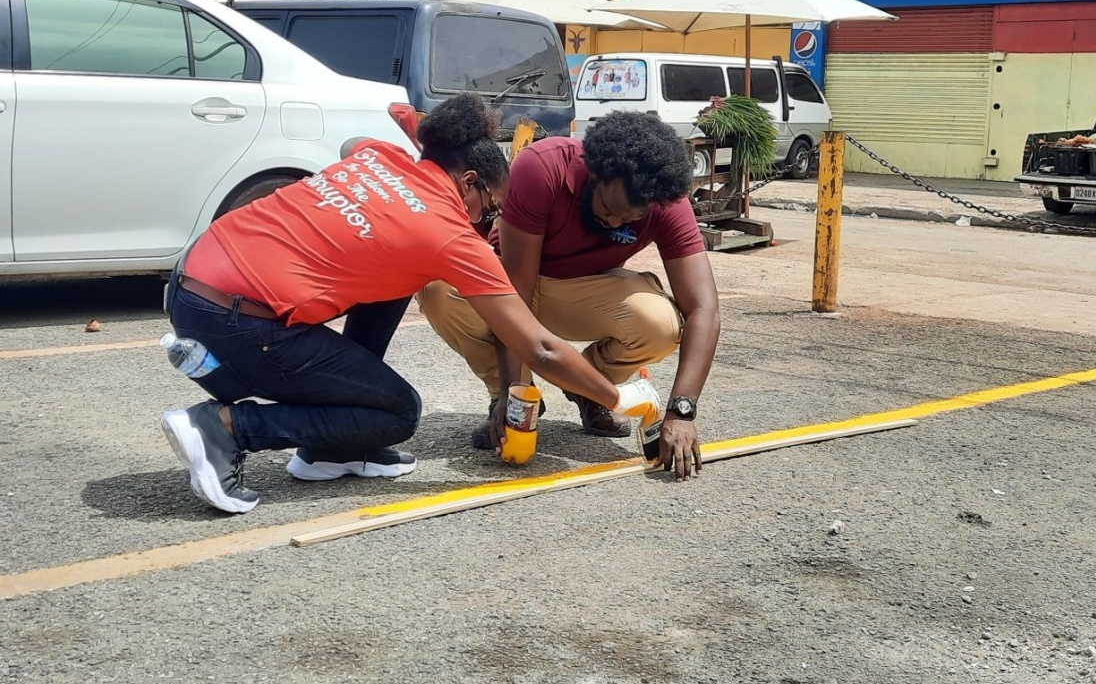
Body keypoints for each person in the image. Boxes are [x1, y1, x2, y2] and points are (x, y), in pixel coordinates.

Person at [159, 93, 656, 514]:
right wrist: (619, 398)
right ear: (468, 185)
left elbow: (353, 144)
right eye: (493, 207)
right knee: (399, 412)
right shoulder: (449, 235)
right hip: (236, 326)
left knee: (398, 277)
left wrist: (419, 136)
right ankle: (224, 428)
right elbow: (540, 348)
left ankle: (331, 452)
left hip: (192, 287)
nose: (491, 222)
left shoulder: (378, 157)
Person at [418, 111, 719, 481]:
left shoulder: (664, 201)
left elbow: (704, 308)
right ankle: (508, 393)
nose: (614, 223)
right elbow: (516, 292)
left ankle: (590, 389)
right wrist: (516, 398)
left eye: (629, 220)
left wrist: (681, 412)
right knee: (438, 289)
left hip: (577, 291)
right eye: (608, 210)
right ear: (594, 171)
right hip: (512, 282)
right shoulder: (542, 167)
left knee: (661, 323)